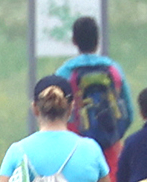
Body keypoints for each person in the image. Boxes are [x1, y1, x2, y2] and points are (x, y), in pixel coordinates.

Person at [50, 17, 133, 156]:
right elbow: (129, 112)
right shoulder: (113, 70)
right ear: (98, 40)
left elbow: (53, 116)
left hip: (73, 148)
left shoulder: (64, 73)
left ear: (74, 41)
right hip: (109, 147)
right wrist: (114, 135)